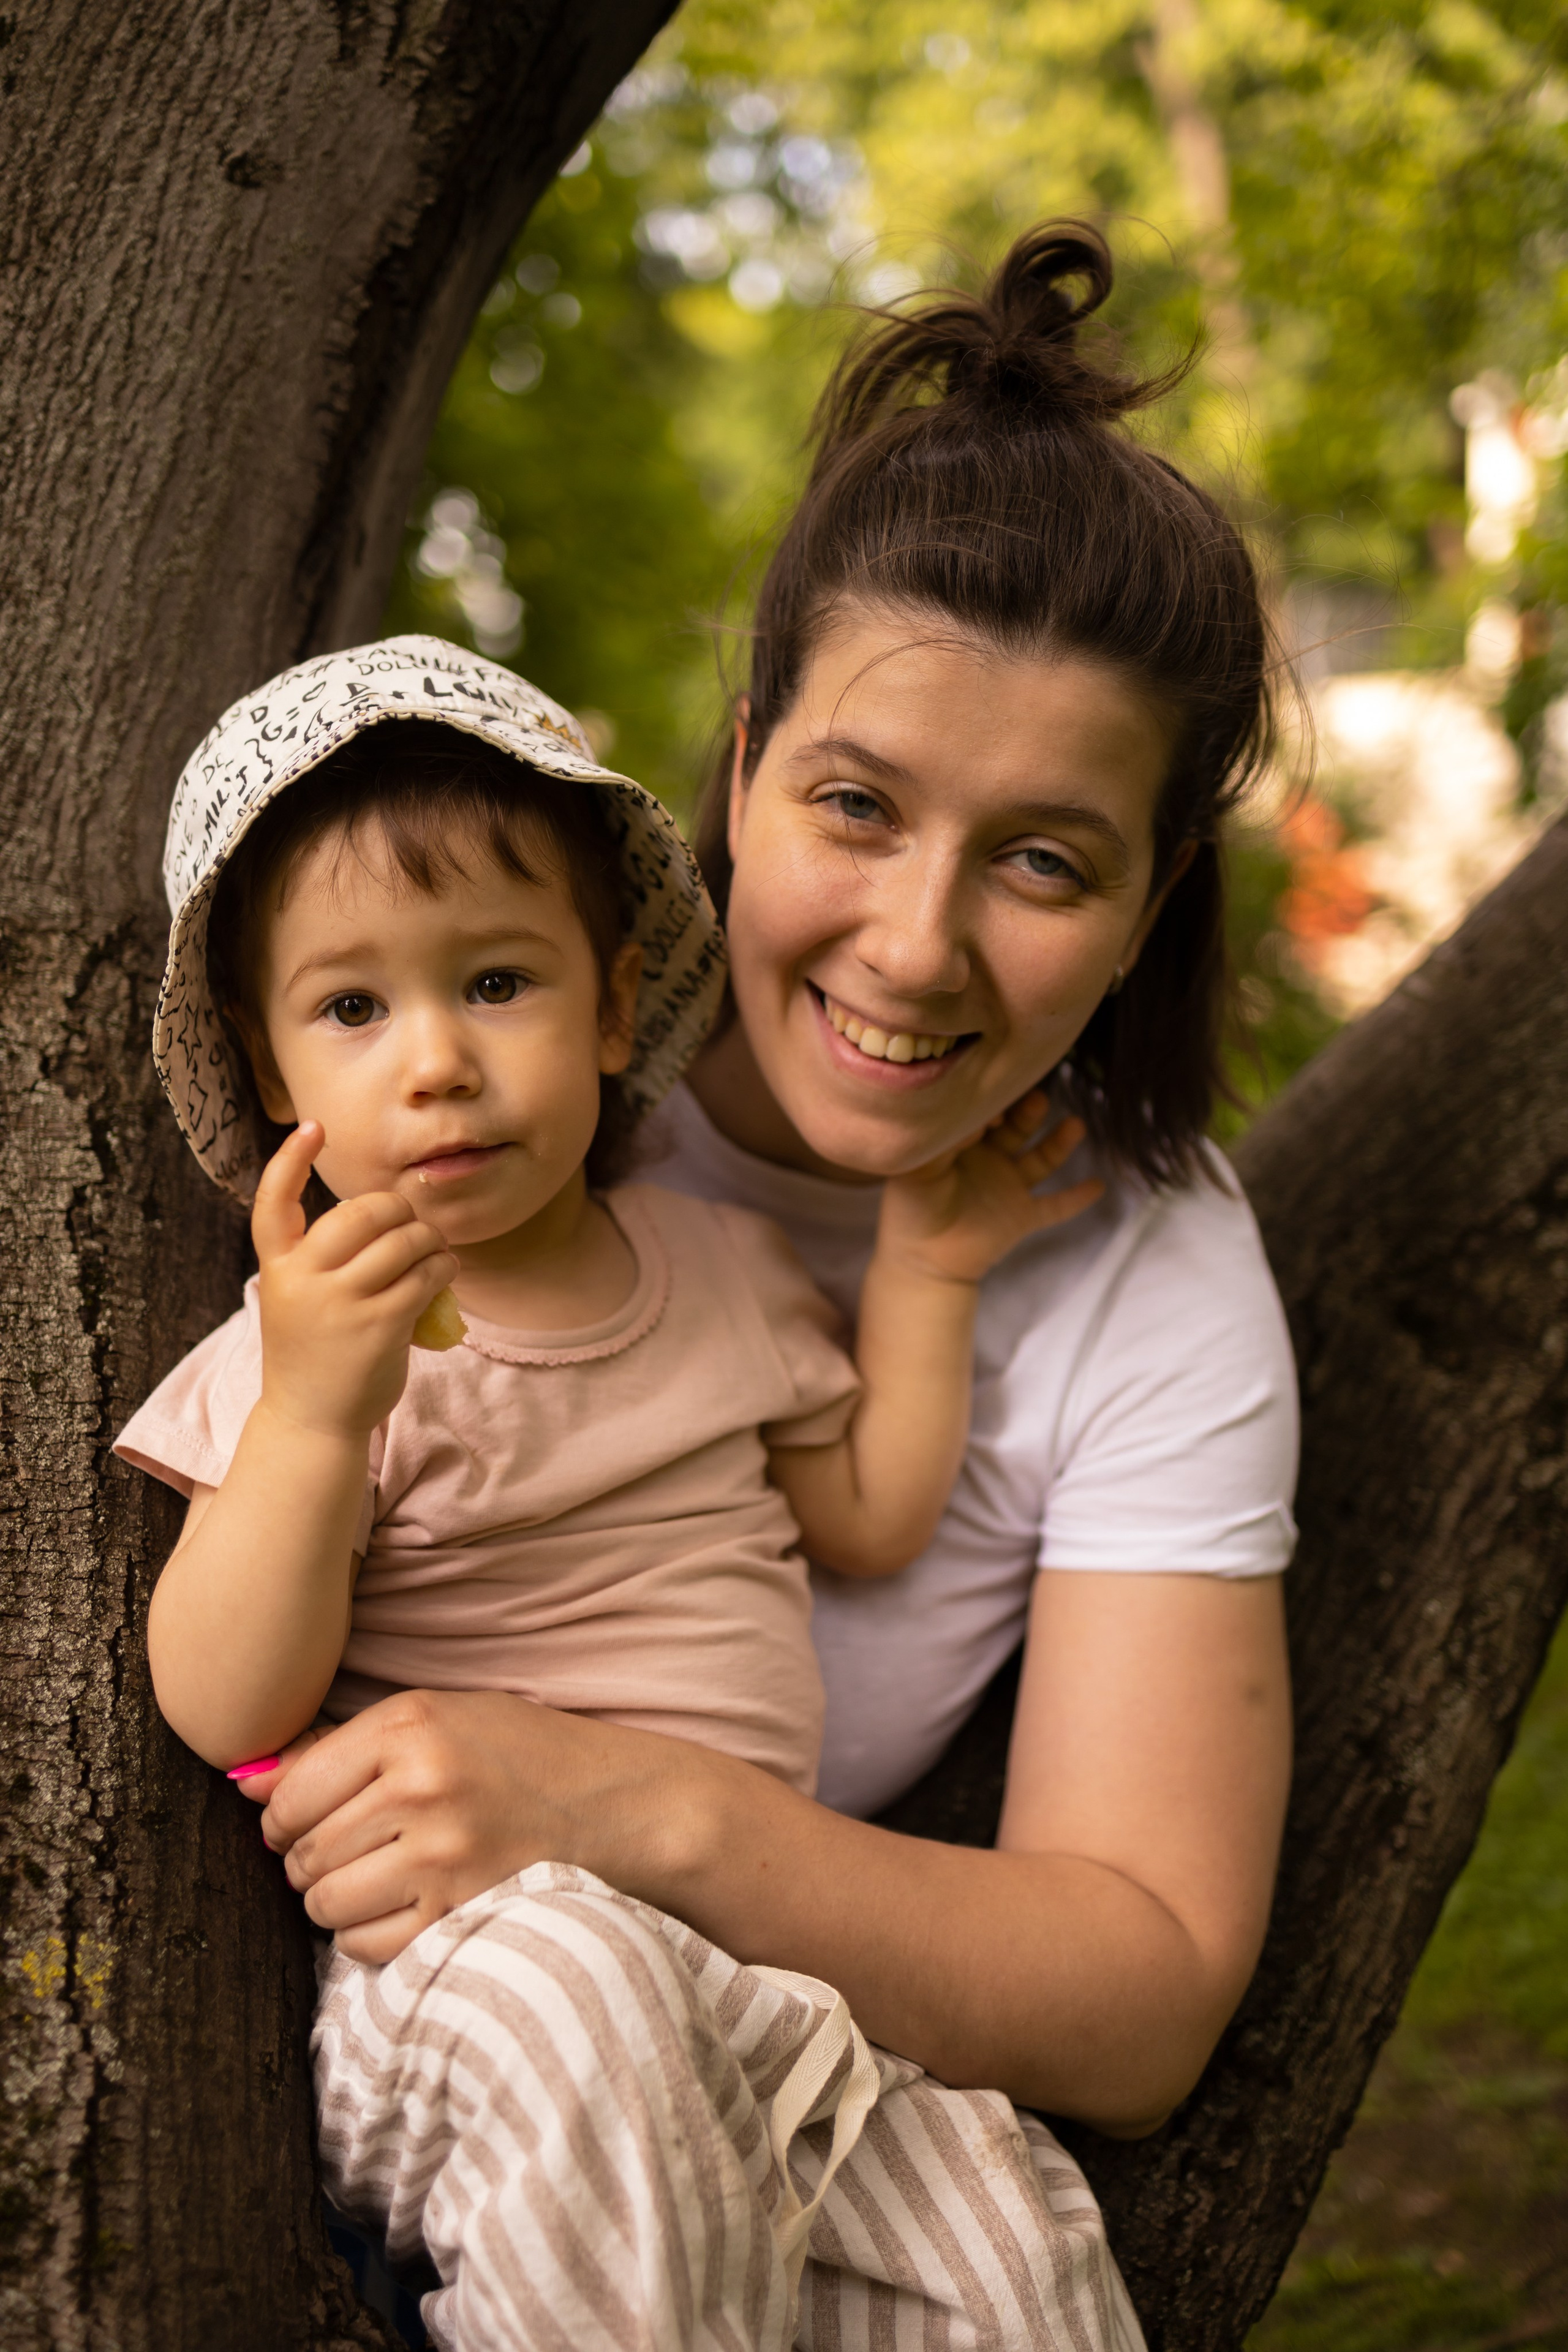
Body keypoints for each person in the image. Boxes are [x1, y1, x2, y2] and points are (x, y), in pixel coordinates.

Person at [145, 216, 1300, 2350]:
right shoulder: (463, 1133)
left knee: (1011, 2240)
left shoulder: (1135, 1268)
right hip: (490, 1989)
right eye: (857, 804)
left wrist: (629, 1805)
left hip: (763, 2001)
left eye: (1046, 859)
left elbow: (1139, 1996)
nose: (915, 949)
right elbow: (229, 1660)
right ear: (746, 763)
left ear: (1151, 905)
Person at [118, 640, 1110, 2346]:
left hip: (761, 1960)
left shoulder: (722, 1270)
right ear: (276, 1076)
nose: (436, 1061)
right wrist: (315, 1418)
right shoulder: (313, 1349)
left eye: (497, 982)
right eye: (353, 1010)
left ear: (613, 1002)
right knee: (598, 2043)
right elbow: (220, 1699)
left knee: (1007, 2233)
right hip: (479, 1959)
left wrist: (930, 1274)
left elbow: (868, 1520)